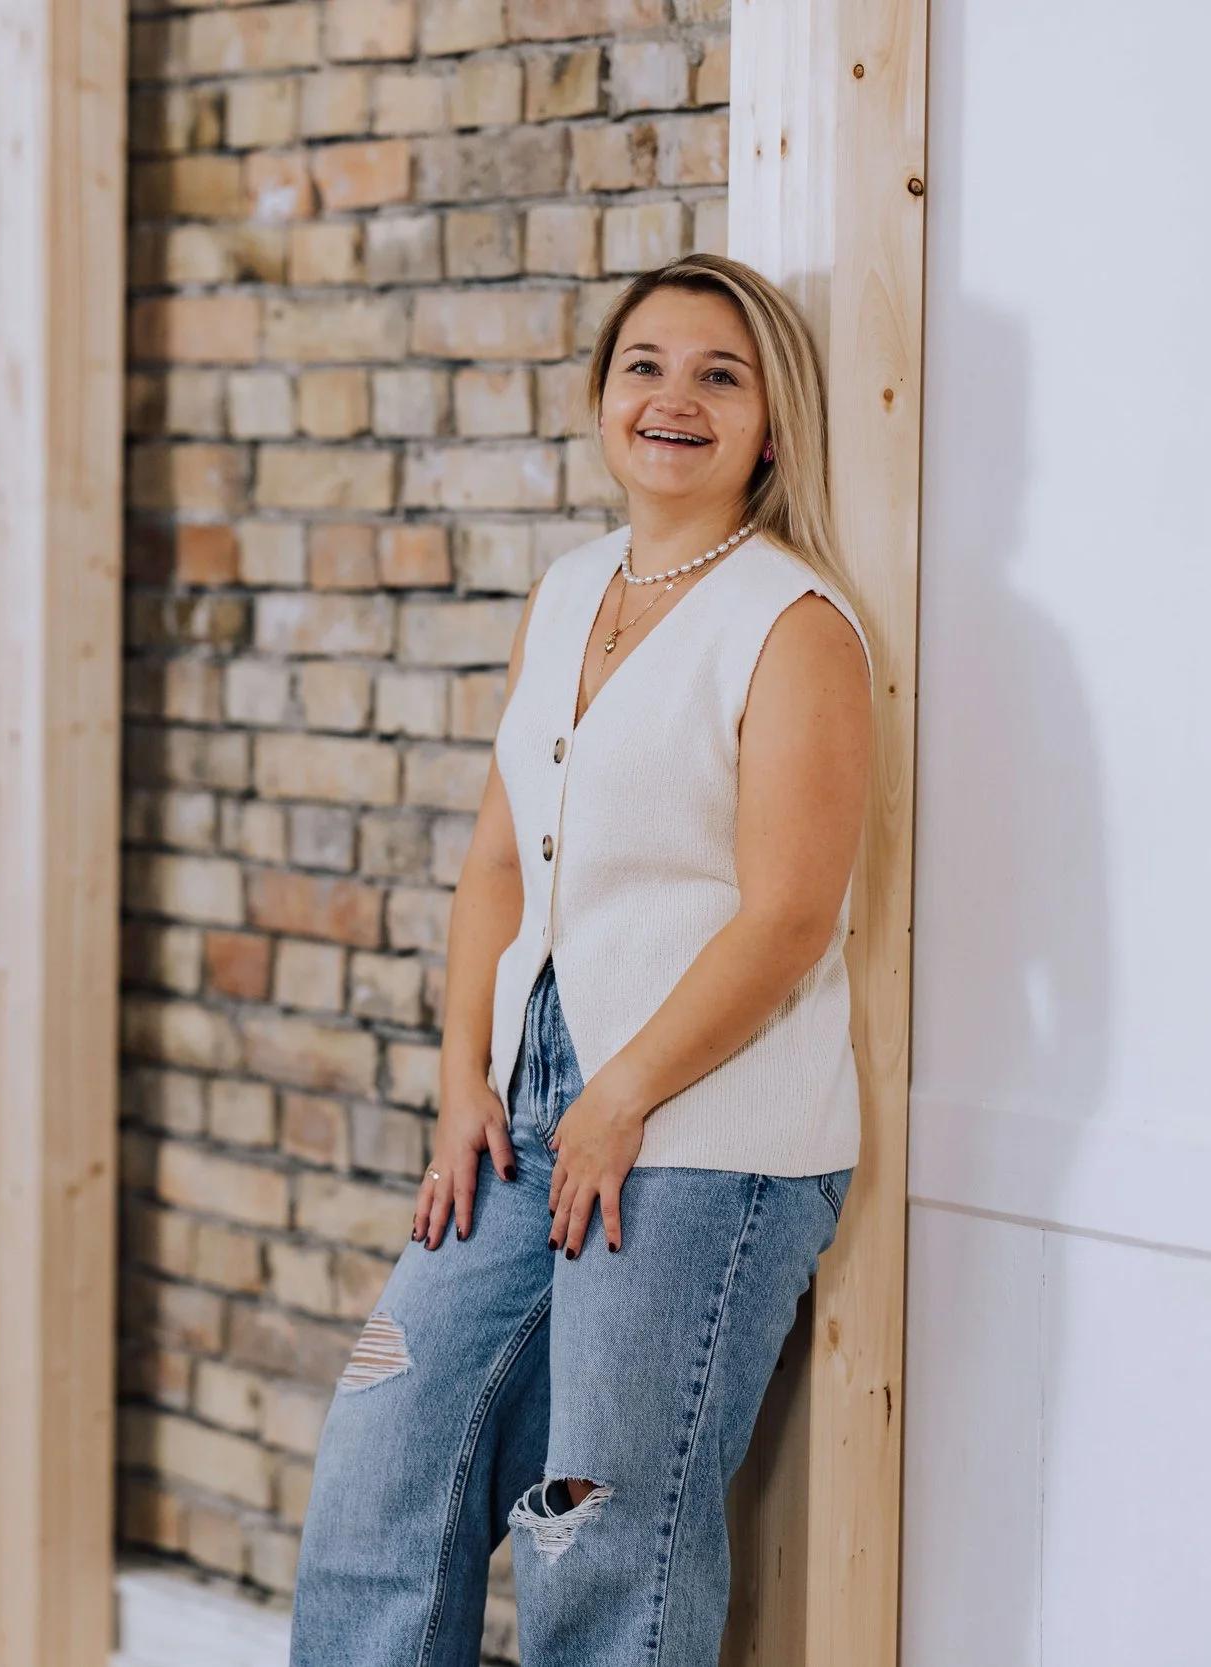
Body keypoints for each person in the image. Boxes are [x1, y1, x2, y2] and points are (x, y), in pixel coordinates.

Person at [288, 253, 874, 1667]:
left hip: (698, 1135)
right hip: (524, 1117)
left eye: (719, 375)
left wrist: (621, 1098)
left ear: (771, 425)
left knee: (595, 1521)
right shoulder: (566, 594)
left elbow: (789, 916)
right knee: (382, 1447)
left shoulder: (793, 626)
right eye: (646, 367)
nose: (675, 398)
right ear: (603, 399)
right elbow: (500, 860)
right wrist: (460, 1085)